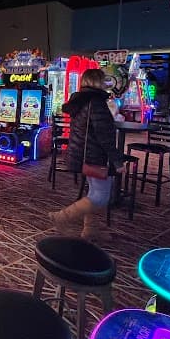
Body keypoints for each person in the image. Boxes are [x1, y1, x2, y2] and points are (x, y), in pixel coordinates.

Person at [50, 68, 125, 242]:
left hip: (81, 153)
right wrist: (117, 161)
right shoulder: (96, 102)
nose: (107, 84)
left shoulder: (81, 100)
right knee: (100, 196)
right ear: (98, 82)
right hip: (93, 155)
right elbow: (105, 136)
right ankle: (62, 217)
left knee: (94, 192)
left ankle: (91, 230)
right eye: (104, 81)